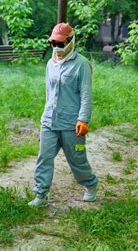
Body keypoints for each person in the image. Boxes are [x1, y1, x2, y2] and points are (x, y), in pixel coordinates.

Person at [29, 23, 99, 207]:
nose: (56, 47)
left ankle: (90, 183)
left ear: (70, 41)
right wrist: (45, 114)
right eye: (53, 43)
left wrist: (83, 119)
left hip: (71, 123)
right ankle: (41, 194)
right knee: (44, 157)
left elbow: (86, 95)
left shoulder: (82, 65)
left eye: (60, 43)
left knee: (77, 160)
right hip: (49, 121)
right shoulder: (50, 64)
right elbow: (48, 92)